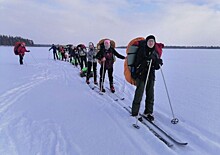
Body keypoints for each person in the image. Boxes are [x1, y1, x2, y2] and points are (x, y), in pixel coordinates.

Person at [131, 35, 163, 121]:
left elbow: (156, 67)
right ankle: (135, 112)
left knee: (150, 94)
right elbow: (137, 62)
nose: (151, 43)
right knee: (139, 93)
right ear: (147, 42)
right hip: (141, 75)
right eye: (149, 41)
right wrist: (147, 61)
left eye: (152, 41)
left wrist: (158, 63)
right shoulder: (142, 51)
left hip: (151, 75)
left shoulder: (155, 52)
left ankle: (148, 112)